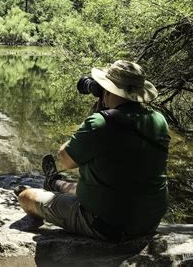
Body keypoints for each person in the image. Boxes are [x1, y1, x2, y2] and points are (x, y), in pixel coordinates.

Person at [17, 60, 170, 241]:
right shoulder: (159, 120)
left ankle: (51, 188)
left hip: (106, 225)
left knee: (26, 196)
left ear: (107, 91)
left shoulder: (100, 122)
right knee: (85, 186)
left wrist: (92, 118)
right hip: (150, 221)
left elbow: (66, 160)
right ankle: (54, 183)